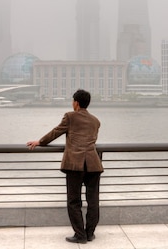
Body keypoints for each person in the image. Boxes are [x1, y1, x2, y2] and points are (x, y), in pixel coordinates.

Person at [27, 89, 103, 244]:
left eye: (72, 101)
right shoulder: (96, 120)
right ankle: (89, 233)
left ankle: (80, 235)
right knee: (93, 201)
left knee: (74, 201)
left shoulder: (70, 116)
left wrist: (40, 142)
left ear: (76, 102)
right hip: (94, 164)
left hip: (75, 165)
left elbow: (56, 132)